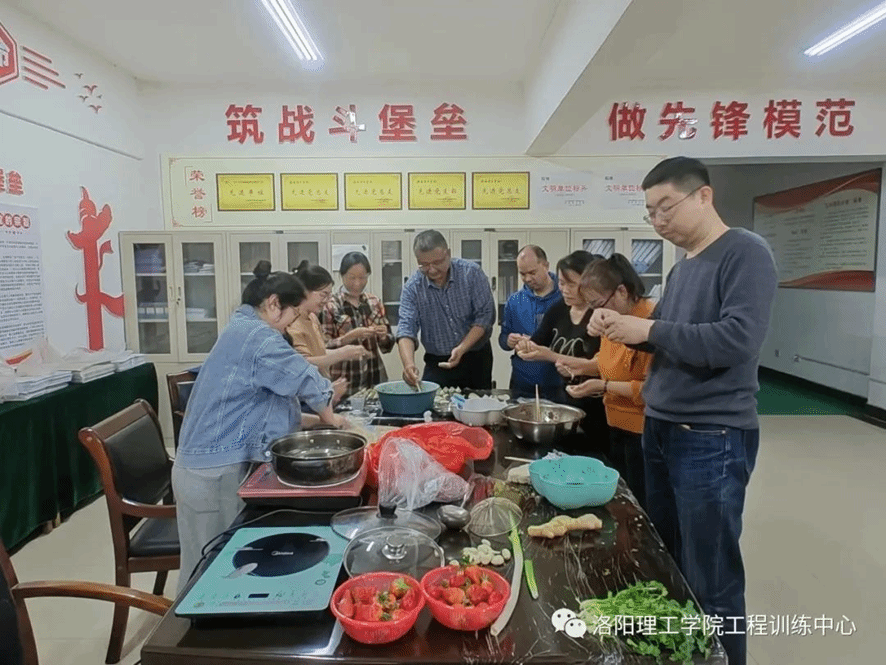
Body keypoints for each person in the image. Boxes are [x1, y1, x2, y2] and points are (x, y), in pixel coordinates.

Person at [588, 156, 777, 665]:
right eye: (650, 212)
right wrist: (618, 325)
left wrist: (647, 328)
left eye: (665, 207)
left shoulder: (745, 253)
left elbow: (737, 340)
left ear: (703, 196)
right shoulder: (683, 268)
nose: (657, 220)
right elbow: (665, 340)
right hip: (663, 427)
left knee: (711, 577)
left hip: (711, 435)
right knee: (667, 559)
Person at [172, 261, 348, 591]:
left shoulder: (243, 327)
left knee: (224, 564)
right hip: (210, 474)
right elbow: (302, 375)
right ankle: (183, 624)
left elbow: (267, 404)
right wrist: (331, 417)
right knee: (207, 572)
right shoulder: (257, 336)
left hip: (212, 468)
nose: (287, 329)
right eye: (291, 318)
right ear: (273, 304)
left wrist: (315, 422)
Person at [558, 254, 654, 509]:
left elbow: (649, 390)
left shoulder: (648, 322)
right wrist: (580, 366)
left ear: (622, 291)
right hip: (614, 421)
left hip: (641, 430)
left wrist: (603, 386)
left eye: (599, 304)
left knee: (640, 502)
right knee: (619, 497)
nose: (596, 313)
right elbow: (607, 361)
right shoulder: (611, 316)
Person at [516, 250, 609, 456]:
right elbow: (538, 341)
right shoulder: (559, 309)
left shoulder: (601, 315)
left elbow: (602, 366)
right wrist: (524, 345)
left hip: (599, 410)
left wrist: (549, 355)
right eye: (561, 283)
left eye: (571, 284)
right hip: (565, 405)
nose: (564, 290)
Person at [397, 230, 495, 390]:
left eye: (437, 262)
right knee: (434, 402)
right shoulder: (413, 287)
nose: (432, 270)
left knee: (477, 401)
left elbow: (484, 317)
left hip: (475, 357)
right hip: (438, 362)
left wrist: (462, 348)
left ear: (448, 253)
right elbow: (406, 327)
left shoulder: (471, 273)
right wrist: (408, 365)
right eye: (424, 265)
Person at [319, 251, 394, 399]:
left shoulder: (374, 302)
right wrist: (348, 338)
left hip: (374, 377)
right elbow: (323, 347)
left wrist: (384, 336)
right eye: (352, 278)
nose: (357, 283)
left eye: (362, 277)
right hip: (344, 381)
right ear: (341, 276)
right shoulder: (330, 305)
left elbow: (387, 346)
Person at [287, 260, 369, 392]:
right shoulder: (291, 322)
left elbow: (320, 352)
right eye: (323, 295)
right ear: (304, 291)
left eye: (329, 295)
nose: (327, 300)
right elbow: (304, 363)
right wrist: (342, 353)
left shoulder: (312, 317)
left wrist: (348, 351)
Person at [498, 245, 562, 400]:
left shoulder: (564, 298)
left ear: (546, 266)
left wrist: (538, 345)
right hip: (522, 382)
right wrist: (509, 340)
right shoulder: (514, 301)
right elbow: (503, 338)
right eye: (522, 274)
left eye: (532, 273)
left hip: (557, 382)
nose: (527, 279)